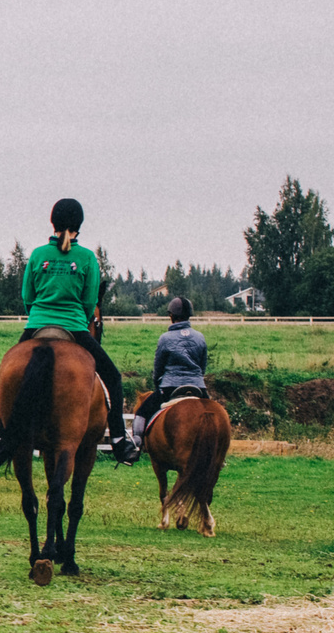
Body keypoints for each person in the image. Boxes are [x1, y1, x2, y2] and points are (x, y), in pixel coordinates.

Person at [21, 198, 137, 463]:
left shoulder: (38, 255)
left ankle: (3, 431)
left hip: (37, 324)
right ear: (78, 225)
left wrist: (39, 316)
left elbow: (27, 295)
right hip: (75, 326)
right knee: (113, 378)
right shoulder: (86, 258)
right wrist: (78, 321)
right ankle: (119, 439)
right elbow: (89, 302)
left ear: (53, 222)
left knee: (8, 371)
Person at [126, 295, 209, 450]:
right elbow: (202, 366)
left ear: (171, 316)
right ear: (189, 316)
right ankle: (218, 453)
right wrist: (196, 378)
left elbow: (158, 367)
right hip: (198, 386)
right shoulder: (200, 337)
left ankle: (136, 445)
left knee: (142, 413)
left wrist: (157, 382)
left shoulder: (165, 338)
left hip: (170, 386)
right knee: (213, 414)